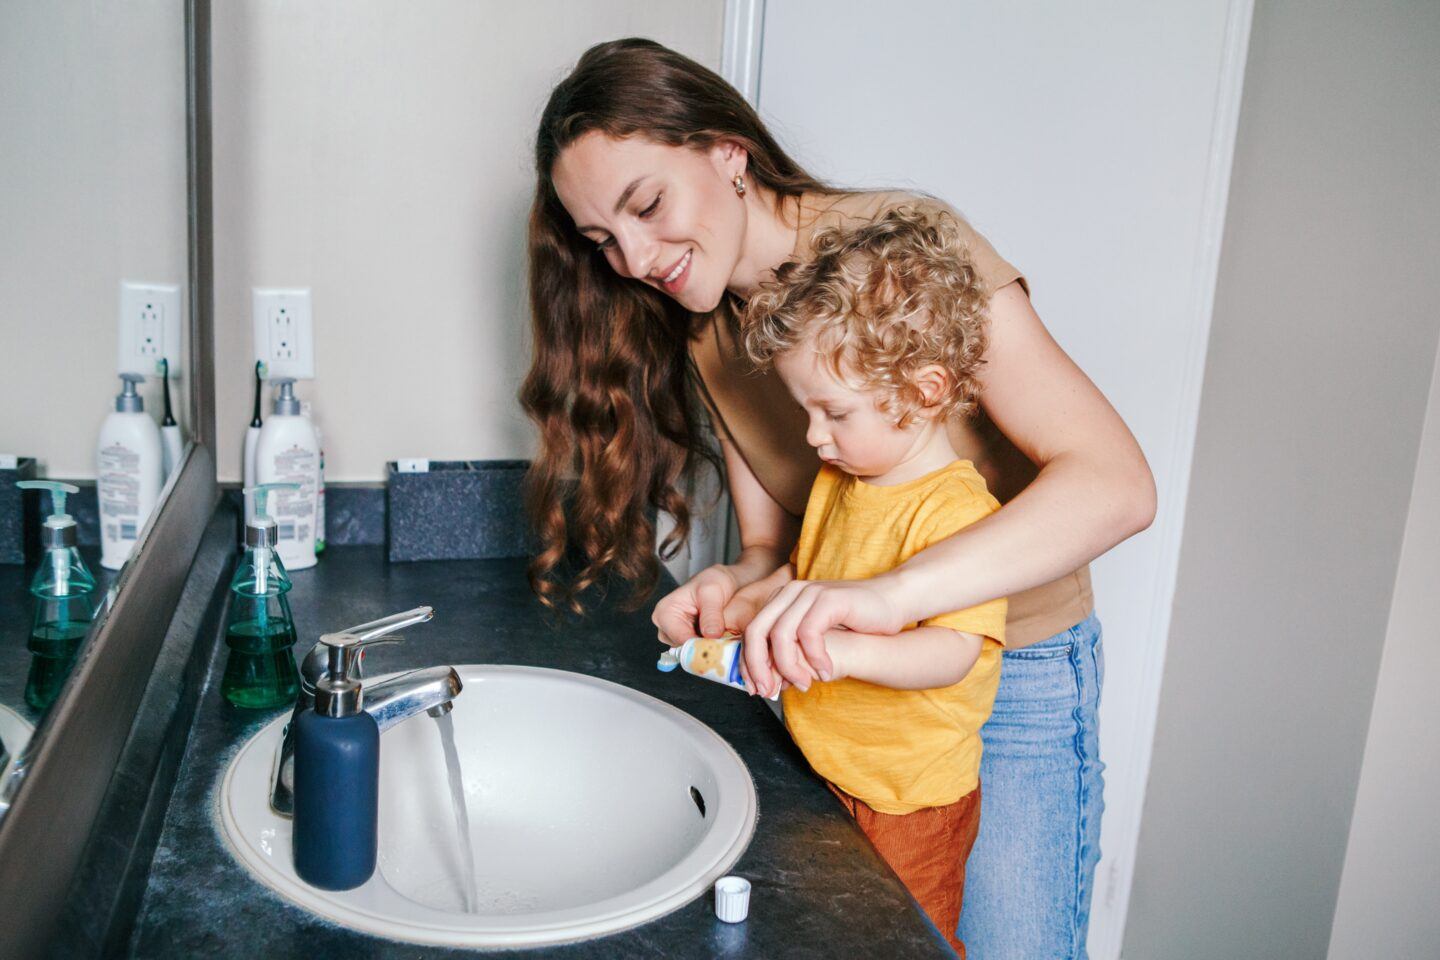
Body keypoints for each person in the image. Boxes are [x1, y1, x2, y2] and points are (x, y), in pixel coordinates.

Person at [523, 37, 1155, 960]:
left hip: (1005, 676)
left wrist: (893, 597)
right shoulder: (707, 331)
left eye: (648, 206)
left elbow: (1116, 484)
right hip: (855, 705)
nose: (634, 256)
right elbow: (779, 549)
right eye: (603, 240)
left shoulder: (897, 247)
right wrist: (733, 594)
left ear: (727, 152)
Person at [734, 205, 1006, 956]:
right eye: (806, 411)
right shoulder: (843, 479)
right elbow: (811, 573)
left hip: (907, 803)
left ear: (923, 392)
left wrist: (844, 649)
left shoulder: (958, 512)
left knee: (897, 946)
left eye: (834, 412)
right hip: (823, 772)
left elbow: (953, 652)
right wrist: (745, 605)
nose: (815, 435)